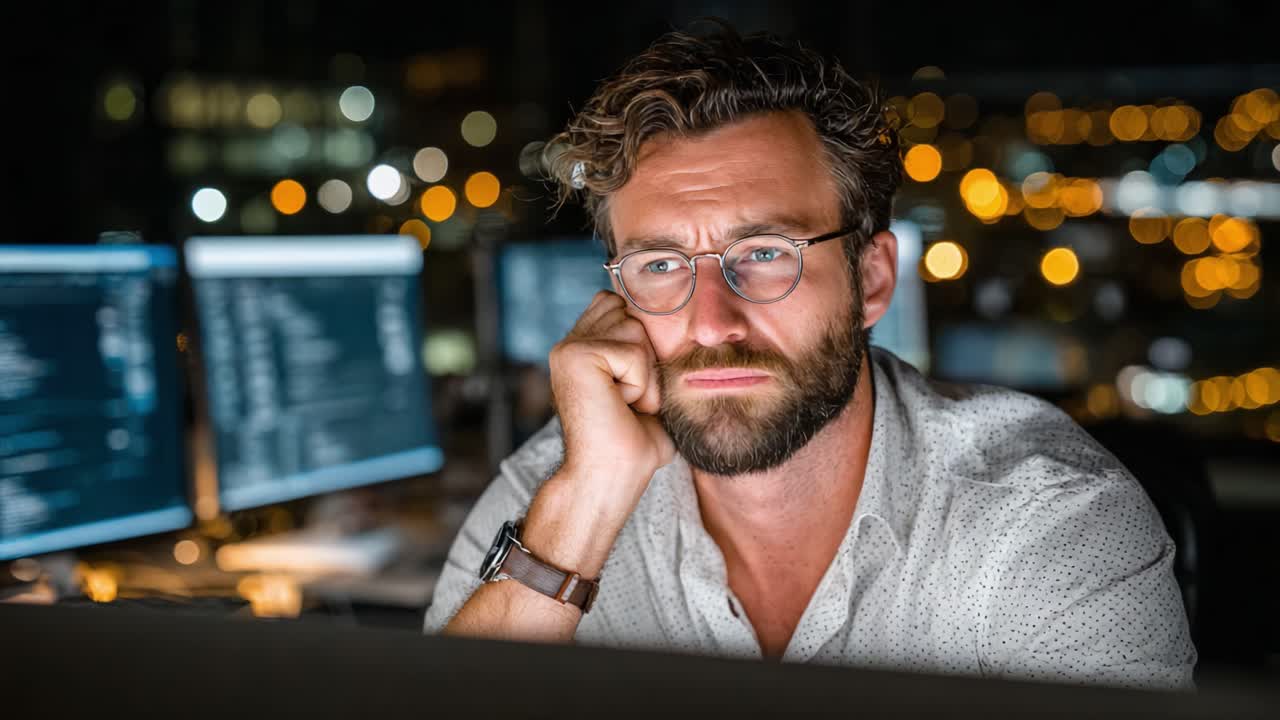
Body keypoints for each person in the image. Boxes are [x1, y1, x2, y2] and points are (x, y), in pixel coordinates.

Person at [423, 22, 1197, 691]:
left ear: (871, 279)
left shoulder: (1046, 525)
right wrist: (582, 509)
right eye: (661, 266)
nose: (710, 322)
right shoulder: (554, 500)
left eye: (764, 252)